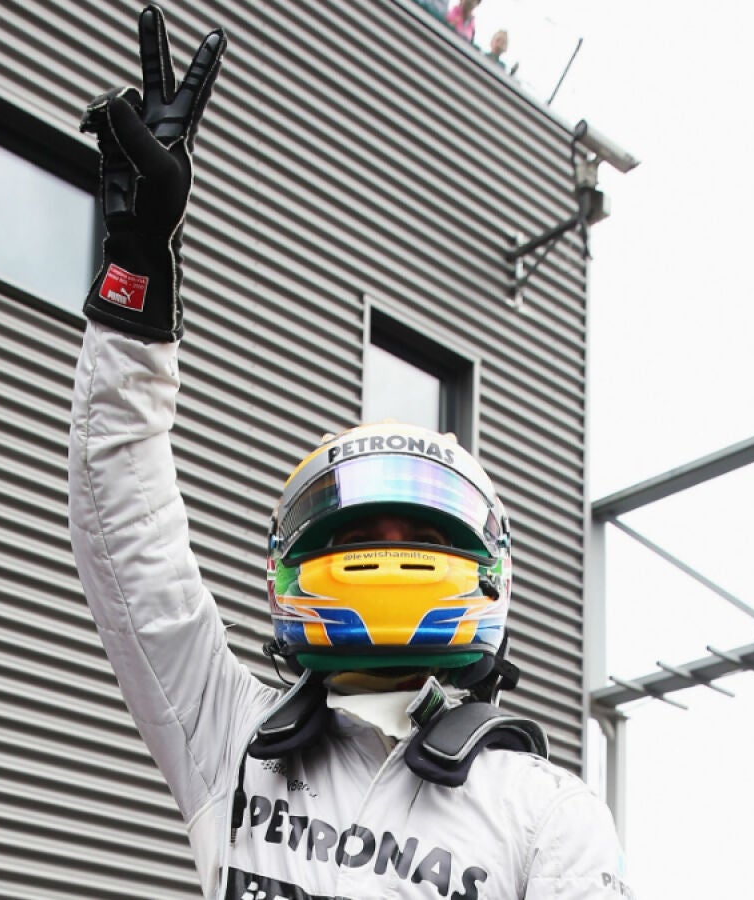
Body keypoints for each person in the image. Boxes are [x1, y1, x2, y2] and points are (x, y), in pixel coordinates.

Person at [70, 6, 632, 898]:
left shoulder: (543, 813)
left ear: (485, 563)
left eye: (421, 535)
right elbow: (125, 532)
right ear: (295, 561)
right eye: (358, 533)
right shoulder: (233, 739)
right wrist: (136, 273)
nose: (387, 554)